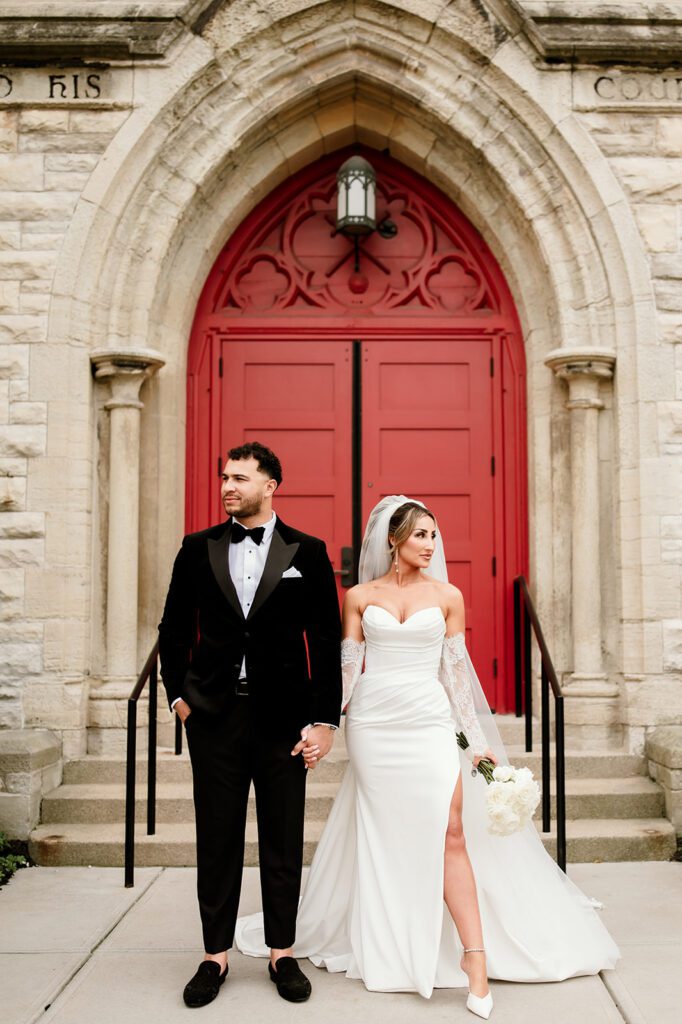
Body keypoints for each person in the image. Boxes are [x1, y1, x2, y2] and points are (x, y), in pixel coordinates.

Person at [236, 496, 620, 1019]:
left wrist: (475, 737)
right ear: (392, 539)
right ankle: (393, 940)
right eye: (420, 535)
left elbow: (457, 673)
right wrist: (322, 723)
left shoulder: (449, 596)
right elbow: (346, 668)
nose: (430, 545)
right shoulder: (357, 596)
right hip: (373, 724)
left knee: (452, 830)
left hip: (428, 720)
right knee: (387, 831)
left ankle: (474, 958)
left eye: (433, 536)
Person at [158, 441, 342, 1008]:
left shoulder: (306, 552)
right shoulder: (197, 548)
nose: (227, 487)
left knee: (282, 838)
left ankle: (281, 953)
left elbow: (326, 643)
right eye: (224, 477)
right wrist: (178, 701)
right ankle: (214, 956)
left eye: (239, 478)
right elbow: (173, 631)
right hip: (213, 716)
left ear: (271, 486)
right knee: (216, 838)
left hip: (284, 720)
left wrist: (325, 722)